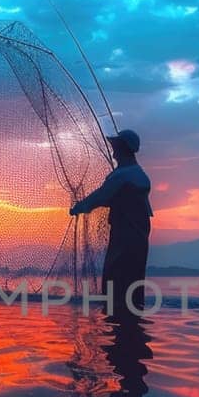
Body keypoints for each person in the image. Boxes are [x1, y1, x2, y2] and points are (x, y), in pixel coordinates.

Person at [70, 129, 152, 317]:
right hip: (139, 238)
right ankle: (131, 321)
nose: (113, 152)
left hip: (125, 237)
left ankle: (119, 322)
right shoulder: (140, 175)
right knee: (133, 283)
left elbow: (100, 197)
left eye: (116, 147)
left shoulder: (121, 177)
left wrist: (78, 207)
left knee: (115, 281)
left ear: (122, 149)